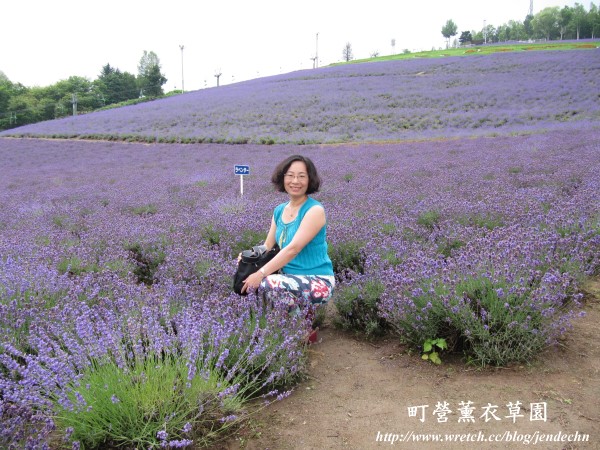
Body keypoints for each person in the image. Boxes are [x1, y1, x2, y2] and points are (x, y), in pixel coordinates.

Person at [241, 155, 335, 326]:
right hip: (289, 279)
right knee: (248, 278)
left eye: (301, 176)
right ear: (283, 178)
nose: (295, 181)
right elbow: (268, 245)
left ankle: (300, 328)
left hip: (317, 280)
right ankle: (295, 322)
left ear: (310, 180)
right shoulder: (279, 210)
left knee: (266, 284)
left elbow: (293, 248)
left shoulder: (314, 210)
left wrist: (260, 274)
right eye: (290, 175)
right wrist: (248, 255)